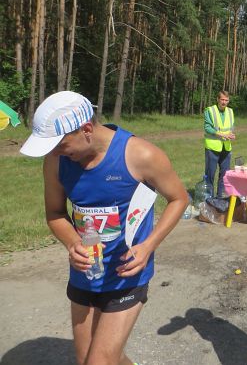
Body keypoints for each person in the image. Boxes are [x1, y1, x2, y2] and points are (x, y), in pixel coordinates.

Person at [20, 91, 188, 365]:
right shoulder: (56, 160)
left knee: (99, 361)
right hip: (85, 274)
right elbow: (55, 214)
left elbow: (179, 198)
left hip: (126, 276)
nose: (55, 152)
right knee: (92, 359)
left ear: (86, 129)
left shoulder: (141, 154)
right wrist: (73, 243)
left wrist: (148, 246)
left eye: (60, 144)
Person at [204, 90, 235, 197]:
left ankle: (219, 197)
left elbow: (231, 127)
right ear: (218, 99)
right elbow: (207, 128)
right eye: (222, 99)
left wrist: (231, 135)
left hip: (226, 147)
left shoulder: (230, 111)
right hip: (212, 147)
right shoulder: (210, 110)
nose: (224, 102)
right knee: (210, 174)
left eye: (226, 100)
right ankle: (209, 198)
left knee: (224, 175)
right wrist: (222, 134)